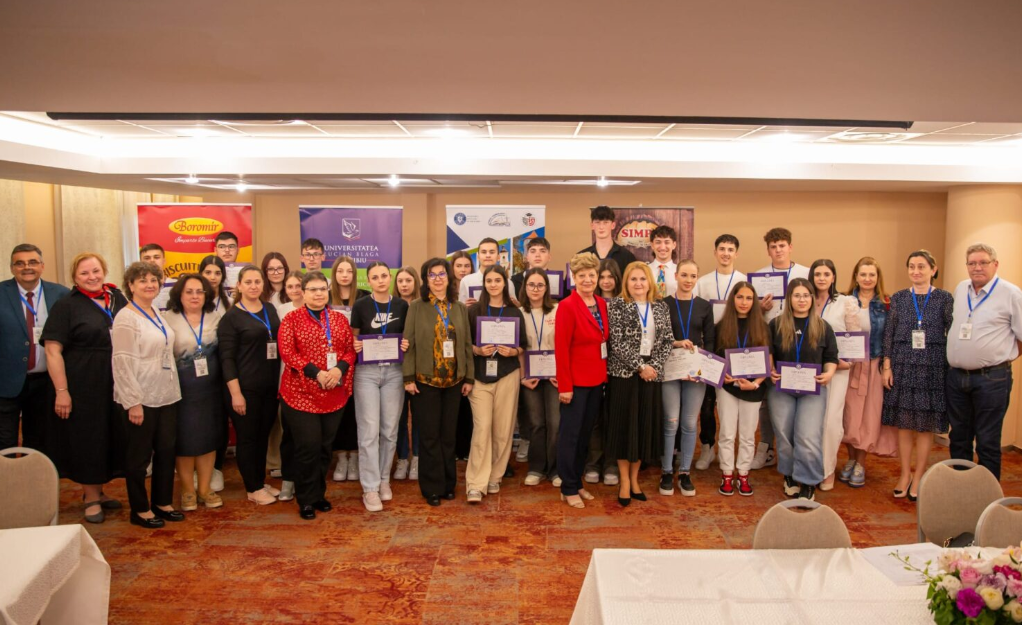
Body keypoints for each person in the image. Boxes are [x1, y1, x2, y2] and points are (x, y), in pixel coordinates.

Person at [42, 252, 127, 523]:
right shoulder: (66, 305)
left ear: (104, 271)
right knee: (87, 438)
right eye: (84, 273)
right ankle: (90, 497)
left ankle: (100, 491)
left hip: (115, 381)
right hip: (82, 383)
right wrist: (62, 391)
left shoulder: (117, 299)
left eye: (96, 271)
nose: (92, 277)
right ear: (75, 278)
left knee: (109, 435)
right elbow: (52, 350)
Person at [278, 271, 356, 520]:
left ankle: (319, 494)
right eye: (312, 289)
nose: (318, 293)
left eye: (322, 289)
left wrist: (338, 369)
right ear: (303, 292)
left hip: (333, 393)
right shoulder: (291, 319)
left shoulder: (339, 319)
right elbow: (287, 353)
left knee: (324, 448)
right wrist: (317, 373)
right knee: (307, 448)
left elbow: (349, 351)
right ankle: (306, 499)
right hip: (300, 395)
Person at [112, 262, 183, 528]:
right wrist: (133, 402)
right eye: (142, 280)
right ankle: (140, 509)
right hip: (141, 397)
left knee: (166, 451)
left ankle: (162, 503)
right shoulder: (126, 318)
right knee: (139, 457)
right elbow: (121, 362)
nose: (150, 285)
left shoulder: (156, 312)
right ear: (130, 285)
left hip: (166, 394)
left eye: (154, 280)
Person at [945, 243, 1022, 481]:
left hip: (992, 379)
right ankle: (962, 490)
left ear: (995, 265)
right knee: (959, 439)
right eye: (972, 263)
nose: (977, 267)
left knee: (987, 441)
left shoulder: (1011, 294)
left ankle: (986, 497)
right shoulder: (961, 289)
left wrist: (999, 357)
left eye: (983, 262)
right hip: (957, 377)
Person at [882, 250, 954, 499]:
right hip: (903, 364)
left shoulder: (944, 298)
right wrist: (887, 366)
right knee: (904, 425)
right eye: (911, 266)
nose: (916, 271)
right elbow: (889, 333)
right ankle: (905, 474)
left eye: (921, 266)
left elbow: (952, 331)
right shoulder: (900, 297)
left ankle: (920, 475)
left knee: (925, 425)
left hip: (932, 367)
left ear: (933, 269)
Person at [403, 258, 474, 506]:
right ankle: (432, 487)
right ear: (426, 280)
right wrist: (408, 377)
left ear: (448, 277)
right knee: (429, 436)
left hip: (454, 381)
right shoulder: (416, 306)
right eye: (431, 275)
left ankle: (448, 484)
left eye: (441, 274)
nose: (437, 279)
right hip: (425, 381)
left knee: (448, 436)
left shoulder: (459, 308)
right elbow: (409, 343)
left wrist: (469, 376)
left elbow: (466, 345)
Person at [605, 262, 673, 506]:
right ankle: (624, 481)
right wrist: (640, 367)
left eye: (642, 279)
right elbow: (616, 342)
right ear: (626, 282)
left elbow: (667, 340)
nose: (638, 283)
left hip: (651, 376)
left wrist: (653, 366)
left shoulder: (661, 306)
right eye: (633, 279)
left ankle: (635, 480)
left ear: (649, 282)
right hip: (625, 375)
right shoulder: (617, 305)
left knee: (643, 428)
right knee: (625, 429)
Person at [767, 278, 838, 502]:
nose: (802, 300)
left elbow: (831, 357)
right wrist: (770, 369)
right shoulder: (776, 324)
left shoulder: (823, 326)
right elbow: (769, 353)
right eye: (797, 295)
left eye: (806, 295)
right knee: (784, 434)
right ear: (789, 299)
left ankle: (808, 481)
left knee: (808, 435)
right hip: (782, 387)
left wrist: (829, 373)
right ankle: (789, 475)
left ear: (812, 298)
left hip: (813, 389)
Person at [218, 265, 282, 505]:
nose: (254, 286)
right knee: (248, 438)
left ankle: (260, 481)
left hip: (269, 387)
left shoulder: (269, 309)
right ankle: (252, 488)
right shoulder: (231, 318)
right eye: (248, 282)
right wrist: (236, 394)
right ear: (239, 286)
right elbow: (226, 359)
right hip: (244, 389)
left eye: (257, 282)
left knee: (262, 436)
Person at [350, 262, 410, 511]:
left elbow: (406, 335)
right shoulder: (361, 305)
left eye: (384, 275)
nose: (381, 280)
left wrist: (405, 344)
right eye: (375, 277)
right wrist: (355, 344)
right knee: (369, 431)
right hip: (367, 373)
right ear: (369, 281)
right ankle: (370, 488)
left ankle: (384, 479)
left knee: (389, 430)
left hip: (394, 371)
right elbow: (353, 336)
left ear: (390, 277)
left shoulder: (402, 306)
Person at [465, 265, 527, 502]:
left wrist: (514, 351)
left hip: (507, 374)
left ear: (505, 283)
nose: (493, 285)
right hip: (480, 376)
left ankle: (494, 476)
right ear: (484, 284)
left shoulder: (514, 312)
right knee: (482, 428)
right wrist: (477, 350)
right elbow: (465, 344)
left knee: (503, 430)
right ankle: (475, 484)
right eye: (489, 281)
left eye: (497, 280)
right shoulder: (473, 311)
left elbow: (523, 344)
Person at [0, 244, 69, 453]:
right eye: (19, 263)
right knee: (5, 443)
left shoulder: (61, 294)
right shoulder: (1, 292)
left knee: (39, 443)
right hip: (6, 383)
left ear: (42, 266)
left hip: (45, 383)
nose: (26, 267)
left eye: (32, 262)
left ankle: (35, 476)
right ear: (12, 268)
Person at [163, 274, 224, 511]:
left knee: (208, 439)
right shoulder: (168, 318)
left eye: (199, 291)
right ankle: (187, 490)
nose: (195, 296)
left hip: (210, 390)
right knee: (185, 441)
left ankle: (205, 489)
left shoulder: (215, 316)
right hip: (181, 391)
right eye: (189, 291)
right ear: (179, 294)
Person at [752, 227, 811, 471]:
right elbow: (750, 313)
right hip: (769, 341)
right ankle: (766, 448)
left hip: (800, 342)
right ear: (768, 250)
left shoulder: (805, 273)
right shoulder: (758, 277)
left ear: (790, 247)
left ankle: (797, 451)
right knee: (767, 399)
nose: (778, 250)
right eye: (773, 247)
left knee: (800, 397)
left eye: (782, 246)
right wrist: (760, 309)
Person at [555, 252, 610, 509]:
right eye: (582, 275)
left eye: (591, 274)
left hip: (597, 380)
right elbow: (561, 348)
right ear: (573, 277)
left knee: (585, 435)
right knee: (570, 436)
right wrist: (565, 386)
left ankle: (576, 482)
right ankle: (567, 487)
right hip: (575, 384)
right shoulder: (567, 306)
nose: (587, 279)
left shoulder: (601, 303)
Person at [840, 257, 897, 488]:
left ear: (877, 277)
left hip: (873, 365)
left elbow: (890, 338)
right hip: (850, 366)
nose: (867, 279)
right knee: (849, 415)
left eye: (871, 274)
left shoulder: (886, 304)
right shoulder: (844, 300)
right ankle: (850, 458)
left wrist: (887, 367)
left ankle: (861, 462)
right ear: (856, 276)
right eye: (863, 274)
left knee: (868, 416)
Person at [659, 260, 714, 497]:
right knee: (671, 421)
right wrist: (675, 342)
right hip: (670, 369)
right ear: (676, 276)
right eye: (684, 275)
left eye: (693, 276)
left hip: (694, 373)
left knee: (690, 423)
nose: (688, 280)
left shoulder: (704, 306)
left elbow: (710, 341)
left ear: (697, 278)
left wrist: (702, 369)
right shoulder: (663, 304)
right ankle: (666, 471)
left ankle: (684, 472)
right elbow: (658, 338)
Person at [692, 234, 746, 472]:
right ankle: (707, 447)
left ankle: (734, 450)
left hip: (736, 348)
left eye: (730, 249)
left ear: (736, 253)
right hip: (709, 347)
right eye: (722, 249)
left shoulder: (744, 281)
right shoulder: (702, 282)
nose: (726, 253)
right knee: (707, 403)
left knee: (733, 403)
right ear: (715, 252)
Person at [714, 282, 770, 497]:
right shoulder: (721, 326)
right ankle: (727, 473)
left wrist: (756, 383)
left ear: (754, 301)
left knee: (747, 435)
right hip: (728, 387)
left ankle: (744, 473)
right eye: (740, 297)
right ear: (733, 299)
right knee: (727, 433)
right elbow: (713, 358)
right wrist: (723, 376)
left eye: (748, 298)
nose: (744, 302)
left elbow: (769, 362)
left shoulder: (763, 327)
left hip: (753, 389)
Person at [810, 259, 856, 491]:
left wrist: (843, 362)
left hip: (837, 371)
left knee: (830, 423)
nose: (821, 278)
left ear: (833, 277)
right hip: (808, 371)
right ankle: (810, 468)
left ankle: (827, 471)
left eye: (826, 274)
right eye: (817, 274)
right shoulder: (804, 299)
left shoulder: (845, 303)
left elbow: (854, 338)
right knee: (810, 422)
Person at [519, 267, 561, 487]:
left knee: (555, 423)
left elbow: (565, 344)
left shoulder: (558, 310)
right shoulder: (519, 313)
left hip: (555, 376)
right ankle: (536, 468)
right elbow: (518, 349)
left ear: (546, 288)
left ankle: (555, 470)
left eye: (540, 285)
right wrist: (522, 377)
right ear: (525, 288)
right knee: (536, 423)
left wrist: (562, 373)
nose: (535, 289)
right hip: (530, 377)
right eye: (531, 285)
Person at [583, 258, 622, 486]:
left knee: (613, 418)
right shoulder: (591, 304)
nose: (606, 281)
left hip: (618, 368)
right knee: (595, 417)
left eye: (610, 277)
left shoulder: (624, 303)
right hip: (593, 367)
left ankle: (611, 464)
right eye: (602, 277)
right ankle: (593, 463)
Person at [329, 255, 368, 481]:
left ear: (354, 274)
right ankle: (341, 457)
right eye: (340, 271)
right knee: (338, 410)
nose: (344, 275)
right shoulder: (325, 298)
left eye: (349, 271)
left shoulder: (364, 297)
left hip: (360, 361)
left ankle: (354, 456)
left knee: (356, 410)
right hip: (333, 363)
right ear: (334, 274)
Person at [392, 266, 421, 480]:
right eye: (400, 281)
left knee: (419, 416)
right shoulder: (392, 307)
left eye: (408, 280)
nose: (404, 285)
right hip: (395, 368)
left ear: (415, 282)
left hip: (420, 369)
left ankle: (418, 458)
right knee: (399, 417)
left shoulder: (423, 306)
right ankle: (402, 458)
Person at [450, 250, 478, 464]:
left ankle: (467, 447)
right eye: (458, 266)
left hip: (472, 348)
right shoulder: (446, 291)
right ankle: (455, 447)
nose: (462, 270)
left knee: (469, 403)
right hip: (451, 351)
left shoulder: (479, 286)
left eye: (466, 265)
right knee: (455, 403)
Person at [579, 206, 636, 271]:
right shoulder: (582, 257)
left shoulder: (627, 257)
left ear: (613, 225)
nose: (601, 227)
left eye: (605, 222)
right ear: (592, 226)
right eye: (597, 222)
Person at [458, 238, 500, 305]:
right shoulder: (466, 281)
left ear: (498, 257)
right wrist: (465, 308)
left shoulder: (507, 283)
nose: (488, 255)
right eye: (484, 252)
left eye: (492, 252)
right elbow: (460, 309)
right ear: (478, 257)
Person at [648, 225, 678, 299]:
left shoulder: (680, 271)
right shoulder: (645, 270)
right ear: (652, 245)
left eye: (667, 242)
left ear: (674, 245)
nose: (662, 247)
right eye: (658, 242)